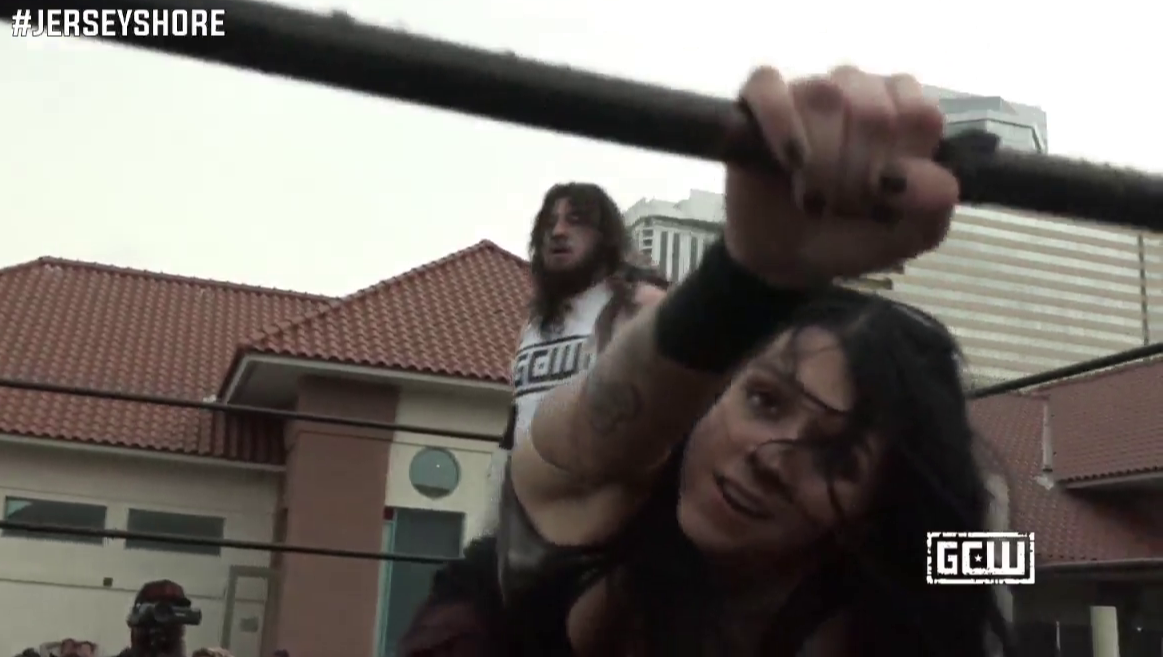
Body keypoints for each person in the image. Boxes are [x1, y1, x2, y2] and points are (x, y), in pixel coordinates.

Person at [401, 66, 1016, 657]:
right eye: (765, 400)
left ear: (873, 511)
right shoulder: (602, 490)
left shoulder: (878, 611)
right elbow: (590, 437)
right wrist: (753, 271)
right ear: (714, 391)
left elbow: (991, 566)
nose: (771, 458)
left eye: (837, 457)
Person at [480, 181, 669, 536]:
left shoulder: (638, 303)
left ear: (604, 236)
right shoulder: (535, 324)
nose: (558, 232)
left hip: (598, 509)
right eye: (549, 223)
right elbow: (518, 415)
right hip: (524, 505)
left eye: (575, 220)